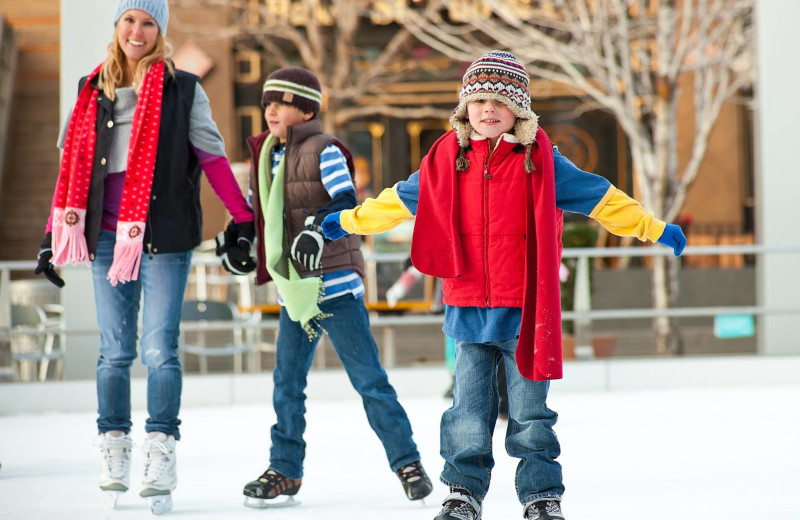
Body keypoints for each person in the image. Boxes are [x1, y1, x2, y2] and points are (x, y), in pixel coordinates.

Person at [321, 50, 687, 520]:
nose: (487, 109)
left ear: (519, 108)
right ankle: (463, 494)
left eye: (499, 99)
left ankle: (540, 495)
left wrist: (653, 228)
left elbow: (604, 199)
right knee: (467, 414)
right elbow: (395, 201)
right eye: (478, 101)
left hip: (526, 310)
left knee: (531, 415)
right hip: (468, 306)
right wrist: (350, 220)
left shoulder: (543, 163)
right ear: (464, 109)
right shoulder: (445, 163)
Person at [34, 0, 255, 513]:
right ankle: (114, 446)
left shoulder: (184, 89)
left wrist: (241, 219)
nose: (138, 30)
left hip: (165, 236)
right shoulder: (91, 91)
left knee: (159, 349)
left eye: (149, 22)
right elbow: (70, 169)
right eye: (130, 20)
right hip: (104, 236)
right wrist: (51, 233)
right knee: (114, 352)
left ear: (160, 32)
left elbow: (212, 157)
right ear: (118, 26)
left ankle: (161, 448)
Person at [234, 66, 433, 508]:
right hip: (295, 291)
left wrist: (318, 230)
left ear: (305, 108)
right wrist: (239, 234)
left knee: (369, 382)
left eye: (280, 102)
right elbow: (259, 212)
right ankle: (285, 470)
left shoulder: (324, 149)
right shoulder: (266, 154)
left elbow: (346, 200)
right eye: (266, 102)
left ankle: (407, 462)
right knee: (287, 383)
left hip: (336, 287)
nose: (270, 110)